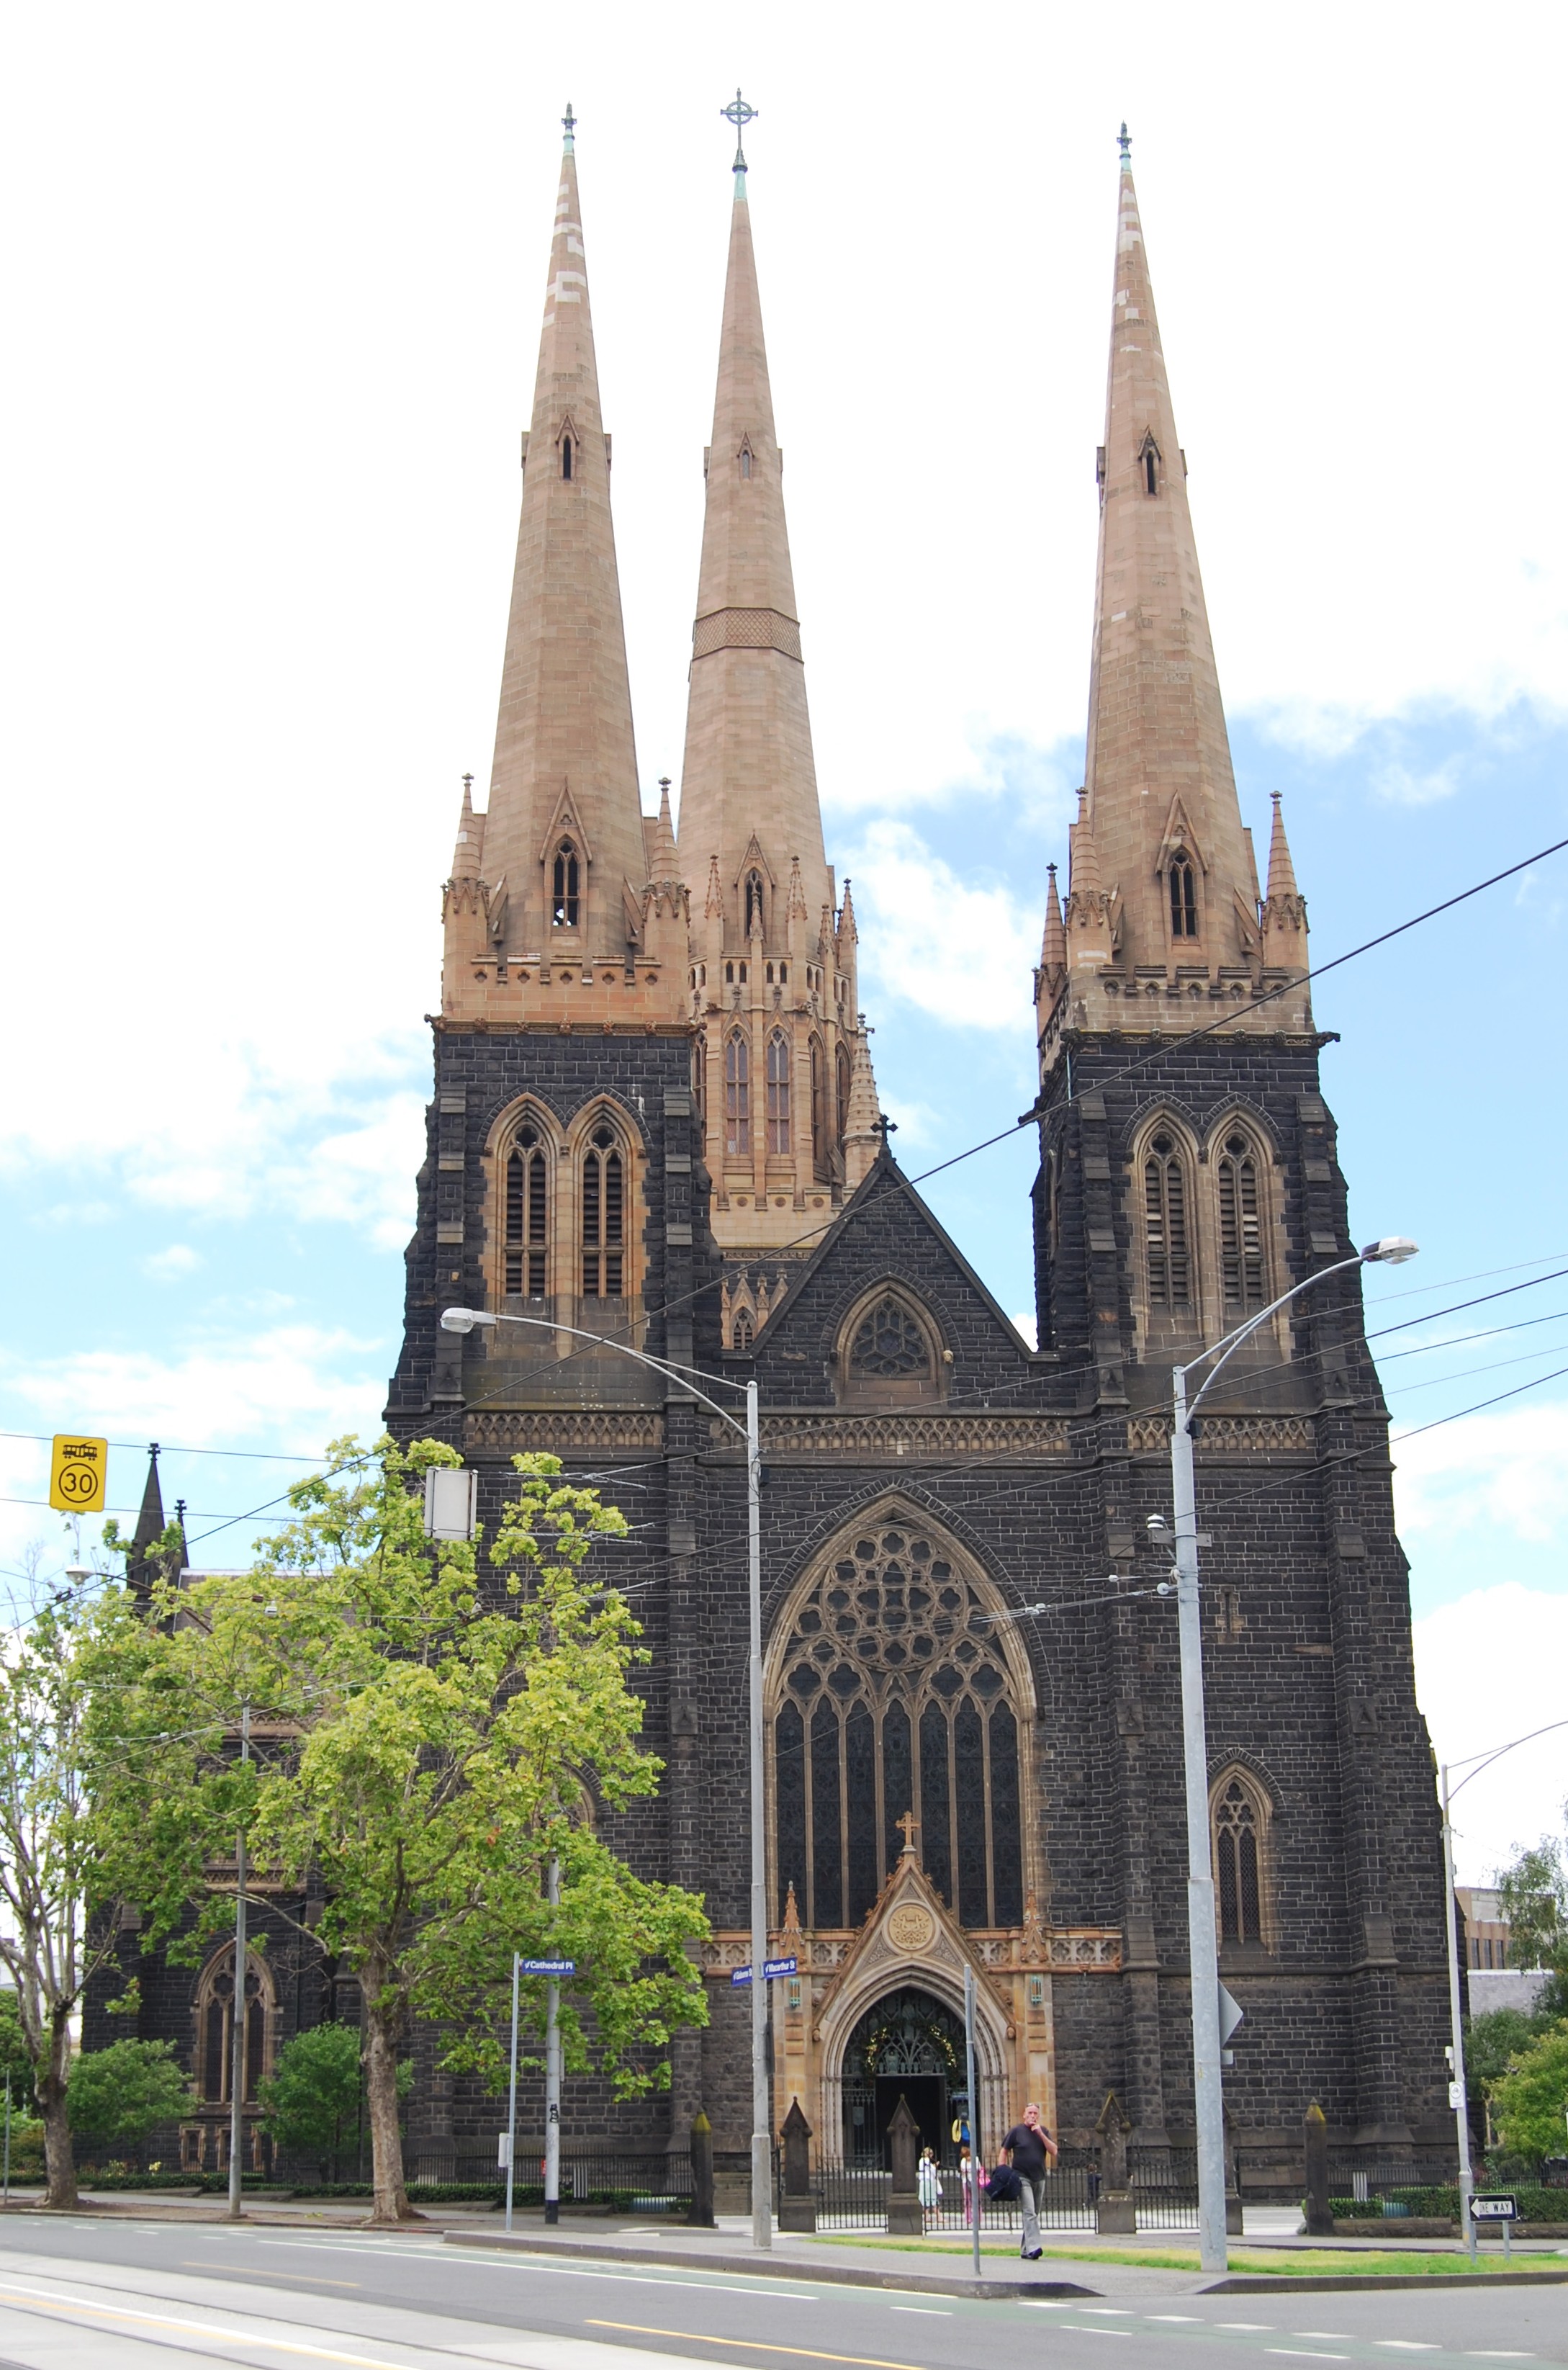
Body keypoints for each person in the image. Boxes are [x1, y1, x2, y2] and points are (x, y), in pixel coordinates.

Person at [999, 2100, 1058, 2260]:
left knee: (1033, 2214)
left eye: (1035, 2113)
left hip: (1039, 2177)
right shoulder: (1016, 2132)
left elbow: (1054, 2151)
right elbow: (1004, 2151)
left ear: (1038, 2116)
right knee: (1029, 2212)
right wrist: (1001, 2170)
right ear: (1024, 2115)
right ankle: (1034, 2248)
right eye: (1029, 2113)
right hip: (1021, 2176)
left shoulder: (1043, 2131)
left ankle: (1025, 2249)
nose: (1032, 2116)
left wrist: (1040, 2134)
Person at [917, 2143, 942, 2227]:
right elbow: (932, 2170)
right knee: (932, 2199)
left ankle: (927, 2217)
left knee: (925, 2200)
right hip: (928, 2182)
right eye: (931, 2154)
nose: (932, 2156)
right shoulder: (926, 2160)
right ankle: (939, 2217)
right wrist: (936, 2166)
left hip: (923, 2182)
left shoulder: (921, 2160)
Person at [957, 2138, 977, 2226]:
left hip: (974, 2181)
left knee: (977, 2200)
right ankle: (968, 2217)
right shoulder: (963, 2161)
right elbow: (962, 2170)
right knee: (967, 2201)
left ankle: (977, 2217)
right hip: (966, 2181)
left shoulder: (975, 2160)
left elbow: (978, 2169)